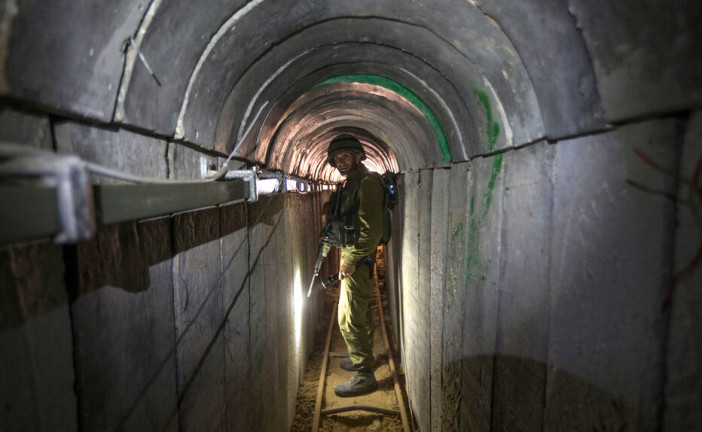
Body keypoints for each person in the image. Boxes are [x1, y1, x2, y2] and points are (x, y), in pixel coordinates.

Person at [325, 133, 385, 397]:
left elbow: (372, 232)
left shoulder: (367, 183)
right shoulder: (351, 183)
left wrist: (351, 260)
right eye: (337, 159)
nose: (341, 162)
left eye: (346, 156)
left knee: (348, 318)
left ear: (358, 156)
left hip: (358, 258)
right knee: (357, 312)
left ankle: (364, 374)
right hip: (352, 254)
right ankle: (363, 358)